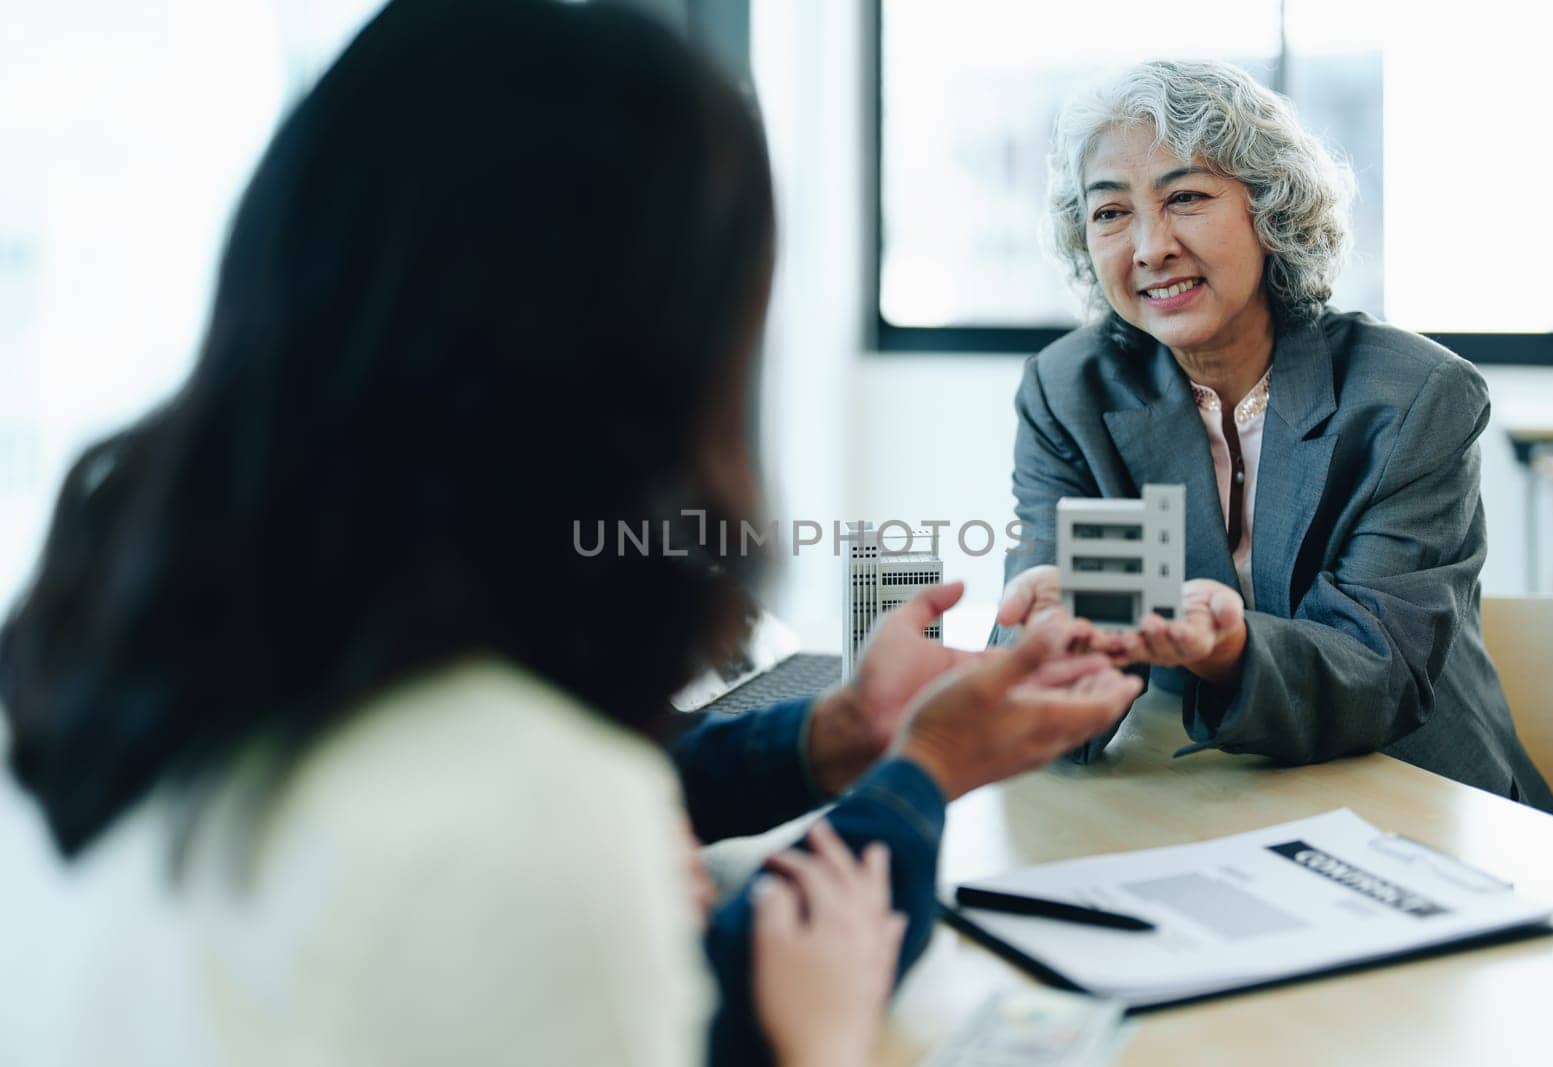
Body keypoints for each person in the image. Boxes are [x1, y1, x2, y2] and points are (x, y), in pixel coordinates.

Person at [0, 3, 1142, 1066]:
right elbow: (599, 924)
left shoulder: (107, 646)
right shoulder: (533, 822)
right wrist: (916, 792)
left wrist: (841, 735)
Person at [995, 59, 1553, 813]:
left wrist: (1230, 650)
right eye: (1110, 213)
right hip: (1197, 787)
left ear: (1271, 209)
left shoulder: (1412, 398)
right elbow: (1057, 673)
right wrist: (1053, 649)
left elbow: (1380, 666)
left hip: (1413, 786)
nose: (1150, 245)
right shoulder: (1072, 395)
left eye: (1185, 197)